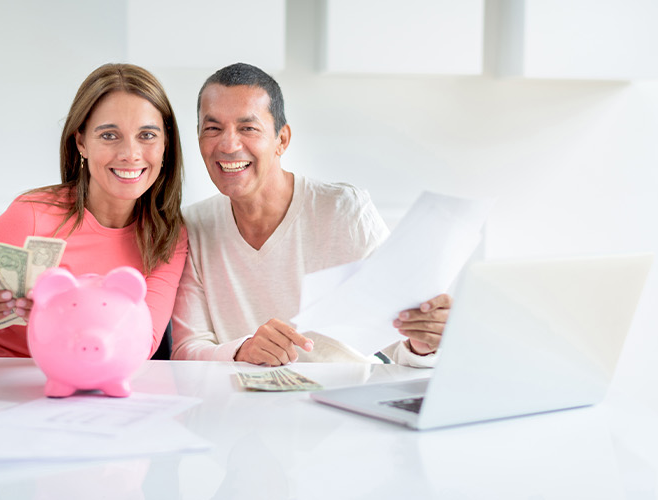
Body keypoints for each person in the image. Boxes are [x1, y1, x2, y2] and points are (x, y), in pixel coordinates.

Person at [0, 63, 188, 359]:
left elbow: (140, 344)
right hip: (22, 401)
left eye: (147, 135)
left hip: (112, 398)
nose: (130, 154)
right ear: (81, 143)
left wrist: (64, 318)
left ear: (166, 144)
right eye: (109, 135)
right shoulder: (32, 217)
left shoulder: (166, 235)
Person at [171, 63, 452, 368]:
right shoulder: (193, 226)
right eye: (213, 129)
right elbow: (187, 348)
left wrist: (423, 343)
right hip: (244, 406)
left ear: (282, 140)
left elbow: (400, 339)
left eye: (248, 128)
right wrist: (243, 350)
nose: (228, 145)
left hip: (342, 402)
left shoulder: (345, 210)